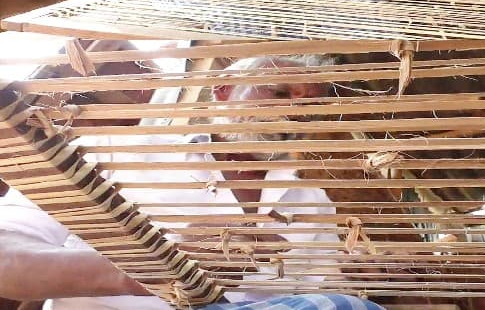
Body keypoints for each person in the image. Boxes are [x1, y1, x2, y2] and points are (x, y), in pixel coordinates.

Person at [0, 55, 386, 310]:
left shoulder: (312, 201)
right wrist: (155, 269)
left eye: (313, 105)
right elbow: (7, 260)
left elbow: (322, 294)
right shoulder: (105, 153)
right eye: (280, 93)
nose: (296, 111)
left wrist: (367, 279)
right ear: (222, 90)